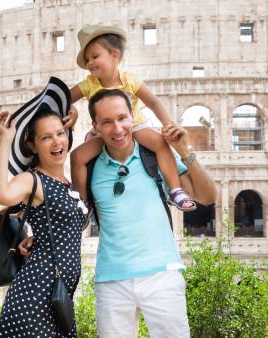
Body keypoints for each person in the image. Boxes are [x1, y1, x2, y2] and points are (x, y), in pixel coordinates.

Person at [86, 89, 217, 338]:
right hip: (112, 282)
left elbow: (208, 197)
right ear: (96, 126)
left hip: (162, 274)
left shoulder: (155, 156)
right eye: (107, 122)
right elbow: (75, 214)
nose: (117, 128)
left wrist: (184, 151)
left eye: (122, 118)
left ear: (132, 118)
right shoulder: (89, 165)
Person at [64, 24, 196, 212]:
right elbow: (63, 100)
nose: (90, 62)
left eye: (95, 56)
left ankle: (175, 190)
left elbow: (153, 102)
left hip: (135, 126)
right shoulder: (88, 84)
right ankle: (82, 204)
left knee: (160, 143)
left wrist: (167, 123)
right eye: (87, 59)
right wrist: (73, 110)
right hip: (103, 133)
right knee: (77, 156)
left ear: (115, 55)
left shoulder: (130, 79)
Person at [0, 102, 86, 337]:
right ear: (32, 145)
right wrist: (6, 139)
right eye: (46, 138)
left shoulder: (66, 183)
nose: (57, 142)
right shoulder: (33, 180)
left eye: (60, 133)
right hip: (35, 296)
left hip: (58, 298)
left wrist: (76, 111)